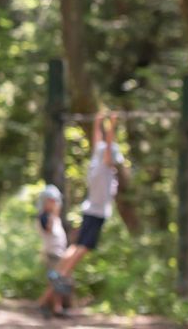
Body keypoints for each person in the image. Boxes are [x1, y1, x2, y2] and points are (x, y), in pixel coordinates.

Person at [50, 112, 123, 295]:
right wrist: (112, 126)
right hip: (97, 212)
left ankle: (58, 271)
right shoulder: (105, 167)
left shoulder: (95, 163)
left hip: (89, 209)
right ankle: (63, 275)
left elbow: (98, 145)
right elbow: (106, 149)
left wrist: (98, 124)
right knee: (85, 247)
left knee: (77, 245)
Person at [35, 185, 69, 318]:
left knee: (58, 282)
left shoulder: (53, 217)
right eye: (52, 201)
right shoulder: (44, 217)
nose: (55, 204)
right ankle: (43, 304)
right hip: (52, 254)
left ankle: (57, 307)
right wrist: (54, 214)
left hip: (59, 253)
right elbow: (48, 230)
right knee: (55, 281)